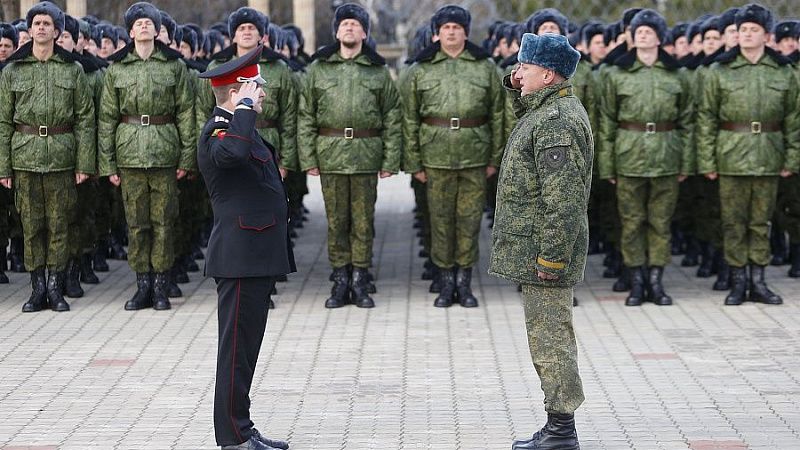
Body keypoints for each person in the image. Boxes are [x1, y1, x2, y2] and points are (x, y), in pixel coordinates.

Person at [489, 32, 588, 450]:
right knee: (546, 338)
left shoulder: (557, 121)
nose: (517, 73)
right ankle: (557, 426)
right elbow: (523, 101)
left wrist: (550, 258)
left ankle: (562, 431)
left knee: (551, 341)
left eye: (525, 68)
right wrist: (516, 84)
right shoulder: (548, 108)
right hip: (536, 251)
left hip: (545, 254)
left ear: (547, 75)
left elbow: (561, 199)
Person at [197, 44, 294, 450]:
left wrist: (246, 112)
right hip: (239, 257)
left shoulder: (241, 128)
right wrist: (245, 109)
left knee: (245, 352)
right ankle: (233, 436)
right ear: (236, 92)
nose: (263, 94)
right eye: (255, 87)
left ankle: (242, 425)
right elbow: (233, 155)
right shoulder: (220, 133)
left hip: (254, 257)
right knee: (234, 353)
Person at [298, 3, 401, 309]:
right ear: (337, 31)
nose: (349, 28)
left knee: (363, 222)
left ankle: (360, 277)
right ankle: (340, 278)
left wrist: (390, 160)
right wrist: (308, 159)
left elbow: (392, 117)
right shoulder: (318, 69)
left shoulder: (378, 70)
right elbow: (306, 116)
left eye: (356, 24)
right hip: (330, 155)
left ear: (365, 32)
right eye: (344, 24)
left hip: (366, 155)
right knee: (336, 221)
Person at [696, 3, 800, 305]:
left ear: (767, 35)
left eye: (754, 30)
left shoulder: (784, 71)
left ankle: (759, 280)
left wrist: (791, 158)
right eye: (743, 30)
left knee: (761, 221)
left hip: (769, 153)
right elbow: (706, 119)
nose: (747, 35)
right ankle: (738, 280)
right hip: (731, 154)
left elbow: (794, 119)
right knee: (733, 221)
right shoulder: (719, 71)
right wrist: (707, 161)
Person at [402, 4, 503, 308]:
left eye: (457, 27)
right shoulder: (421, 69)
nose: (451, 32)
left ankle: (465, 281)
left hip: (475, 155)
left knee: (470, 222)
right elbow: (408, 119)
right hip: (435, 157)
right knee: (441, 222)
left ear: (466, 32)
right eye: (446, 28)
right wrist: (413, 162)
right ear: (437, 33)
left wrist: (494, 158)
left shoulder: (485, 67)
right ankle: (446, 282)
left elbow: (499, 115)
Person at [97, 2, 195, 311]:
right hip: (129, 155)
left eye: (148, 22)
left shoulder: (174, 67)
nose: (143, 26)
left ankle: (161, 286)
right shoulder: (117, 69)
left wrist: (186, 158)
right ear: (130, 31)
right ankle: (142, 285)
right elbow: (106, 119)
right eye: (137, 23)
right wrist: (108, 163)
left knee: (164, 222)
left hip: (165, 152)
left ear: (157, 29)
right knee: (137, 224)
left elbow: (186, 115)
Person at [0, 1, 96, 312]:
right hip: (24, 157)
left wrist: (84, 163)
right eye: (37, 23)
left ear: (57, 31)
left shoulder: (73, 69)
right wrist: (4, 166)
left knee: (60, 224)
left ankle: (56, 287)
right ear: (29, 30)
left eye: (47, 24)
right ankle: (36, 287)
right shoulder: (12, 71)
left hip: (61, 156)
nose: (41, 28)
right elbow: (3, 121)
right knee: (31, 225)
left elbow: (84, 118)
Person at [597, 9, 693, 306]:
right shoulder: (616, 74)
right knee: (632, 221)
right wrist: (607, 164)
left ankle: (656, 280)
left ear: (659, 37)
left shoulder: (677, 74)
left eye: (649, 31)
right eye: (638, 31)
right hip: (629, 155)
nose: (643, 35)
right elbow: (607, 123)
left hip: (667, 154)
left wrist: (686, 163)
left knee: (660, 222)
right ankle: (637, 280)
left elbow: (688, 121)